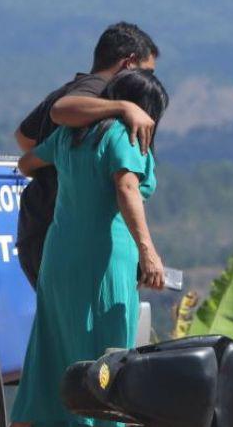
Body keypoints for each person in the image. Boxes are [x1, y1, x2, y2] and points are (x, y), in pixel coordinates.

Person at [0, 70, 170, 427]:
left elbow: (26, 164)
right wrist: (148, 251)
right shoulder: (123, 137)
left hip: (59, 257)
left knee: (48, 349)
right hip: (104, 257)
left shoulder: (69, 136)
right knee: (110, 353)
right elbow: (126, 187)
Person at [14, 22, 160, 290]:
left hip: (38, 229)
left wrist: (62, 154)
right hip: (62, 232)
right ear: (129, 63)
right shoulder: (97, 88)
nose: (149, 83)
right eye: (147, 74)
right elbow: (61, 110)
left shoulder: (73, 87)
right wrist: (123, 106)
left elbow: (24, 139)